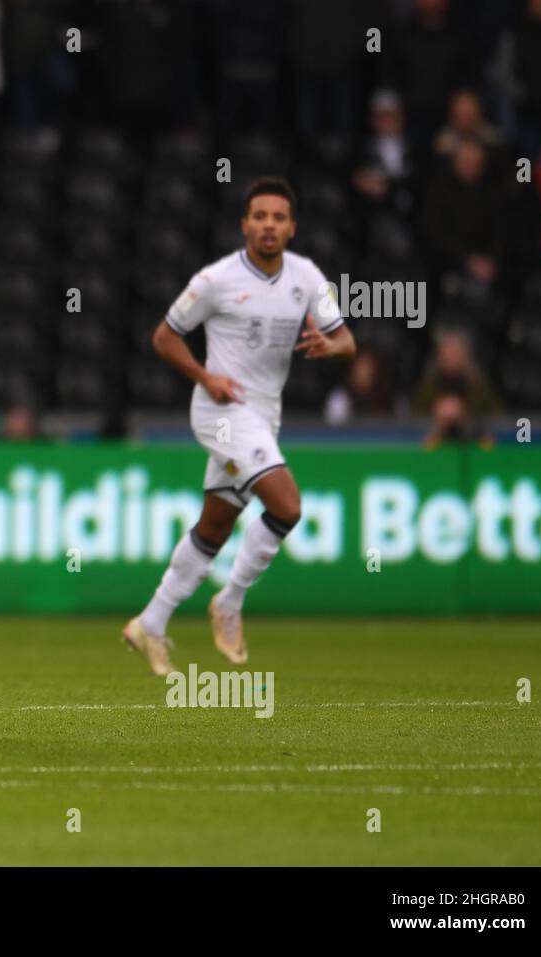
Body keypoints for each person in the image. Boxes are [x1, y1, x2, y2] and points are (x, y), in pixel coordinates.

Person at [126, 177, 355, 675]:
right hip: (221, 412)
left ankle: (150, 623)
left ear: (291, 228)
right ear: (244, 224)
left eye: (278, 218)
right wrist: (205, 376)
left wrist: (331, 346)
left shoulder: (307, 276)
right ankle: (230, 601)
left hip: (263, 416)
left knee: (215, 526)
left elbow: (346, 341)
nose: (268, 225)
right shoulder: (216, 280)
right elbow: (164, 337)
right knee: (287, 506)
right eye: (260, 216)